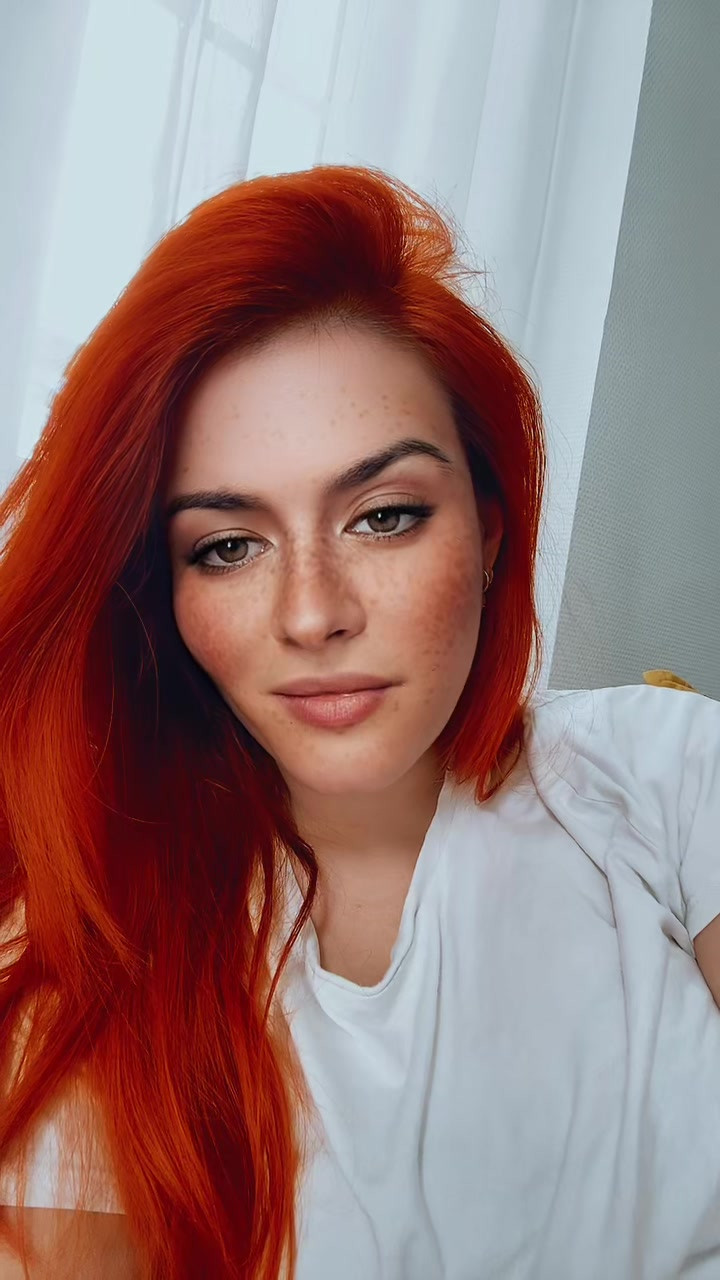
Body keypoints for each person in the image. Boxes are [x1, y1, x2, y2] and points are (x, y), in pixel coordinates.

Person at [0, 163, 718, 1280]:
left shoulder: (672, 774)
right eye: (227, 545)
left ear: (488, 532)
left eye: (384, 516)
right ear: (159, 590)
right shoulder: (85, 948)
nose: (313, 613)